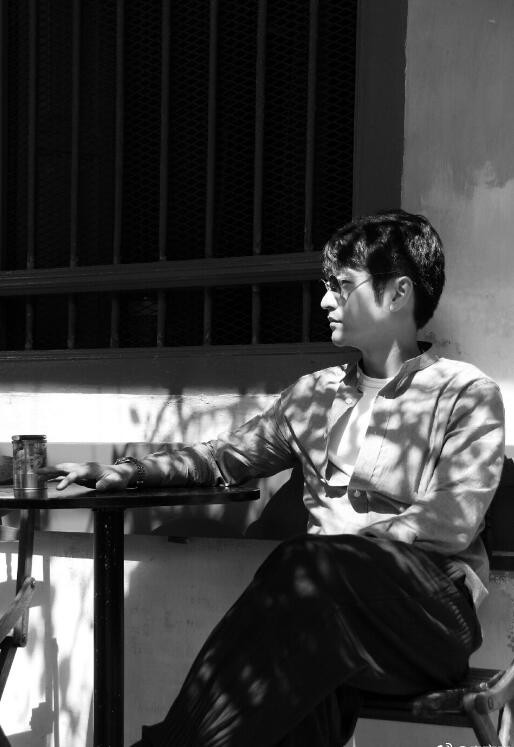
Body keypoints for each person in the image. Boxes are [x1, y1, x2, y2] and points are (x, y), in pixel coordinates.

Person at [52, 210, 505, 747]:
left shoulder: (465, 393)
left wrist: (344, 552)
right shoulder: (313, 396)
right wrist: (128, 471)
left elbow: (452, 519)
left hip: (427, 619)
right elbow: (223, 458)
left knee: (306, 571)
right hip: (322, 616)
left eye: (342, 285)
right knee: (295, 667)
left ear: (398, 293)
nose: (325, 301)